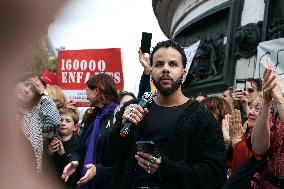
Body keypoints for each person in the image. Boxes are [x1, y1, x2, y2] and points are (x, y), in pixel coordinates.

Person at [98, 40, 227, 189]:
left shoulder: (202, 117)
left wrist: (165, 167)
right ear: (151, 70)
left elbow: (215, 174)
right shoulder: (132, 108)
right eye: (159, 64)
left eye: (173, 64)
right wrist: (120, 127)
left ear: (183, 72)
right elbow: (105, 157)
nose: (165, 69)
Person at [62, 73, 119, 189]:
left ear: (97, 90)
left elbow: (121, 158)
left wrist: (98, 170)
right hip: (83, 182)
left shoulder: (118, 116)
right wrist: (75, 161)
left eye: (87, 90)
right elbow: (80, 149)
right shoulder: (91, 117)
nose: (85, 94)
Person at [14, 72, 61, 173]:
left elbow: (54, 121)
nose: (27, 91)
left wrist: (43, 92)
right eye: (26, 84)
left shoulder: (35, 114)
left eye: (32, 90)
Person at [251, 65, 284, 188]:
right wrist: (266, 102)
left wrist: (280, 100)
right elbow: (258, 148)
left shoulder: (280, 102)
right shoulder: (276, 107)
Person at [47, 107, 79, 178]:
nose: (63, 123)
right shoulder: (48, 141)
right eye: (60, 120)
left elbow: (74, 171)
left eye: (68, 121)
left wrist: (62, 155)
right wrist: (48, 153)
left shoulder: (79, 144)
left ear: (75, 127)